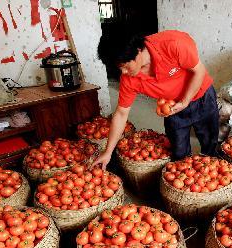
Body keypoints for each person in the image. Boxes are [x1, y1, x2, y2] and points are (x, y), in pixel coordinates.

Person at [93, 30, 219, 168]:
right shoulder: (128, 79)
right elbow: (121, 113)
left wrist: (185, 101)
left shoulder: (174, 44)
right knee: (179, 153)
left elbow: (199, 71)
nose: (123, 72)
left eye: (125, 66)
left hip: (202, 96)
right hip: (172, 108)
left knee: (210, 144)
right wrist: (108, 152)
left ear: (138, 51)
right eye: (119, 68)